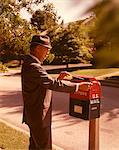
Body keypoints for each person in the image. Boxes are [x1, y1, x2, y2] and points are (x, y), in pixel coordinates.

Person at [21, 34, 91, 150]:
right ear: (38, 48)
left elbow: (44, 84)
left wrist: (59, 80)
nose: (48, 53)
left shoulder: (29, 63)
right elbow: (51, 84)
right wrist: (78, 87)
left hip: (33, 116)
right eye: (47, 49)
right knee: (44, 147)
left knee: (35, 147)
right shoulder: (33, 66)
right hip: (39, 117)